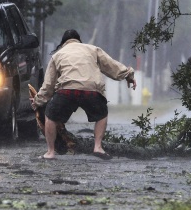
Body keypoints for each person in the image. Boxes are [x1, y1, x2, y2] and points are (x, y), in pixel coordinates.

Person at [31, 29, 137, 160]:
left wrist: (37, 101)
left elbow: (48, 86)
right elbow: (112, 66)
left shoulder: (57, 55)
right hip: (91, 91)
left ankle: (50, 152)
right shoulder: (92, 49)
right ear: (79, 40)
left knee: (50, 116)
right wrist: (128, 75)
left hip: (66, 91)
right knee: (102, 114)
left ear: (63, 43)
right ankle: (98, 147)